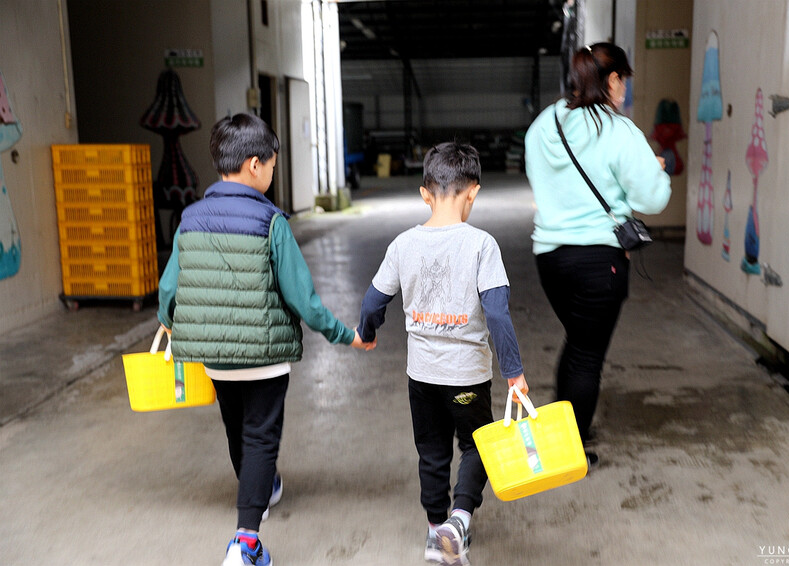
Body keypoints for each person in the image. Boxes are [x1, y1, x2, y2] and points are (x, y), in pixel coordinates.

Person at [157, 113, 372, 566]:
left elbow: (170, 287)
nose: (273, 173)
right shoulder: (270, 221)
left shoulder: (191, 218)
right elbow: (302, 298)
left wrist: (168, 320)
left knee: (238, 430)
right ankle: (246, 542)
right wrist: (343, 335)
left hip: (215, 357)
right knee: (260, 437)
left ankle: (263, 487)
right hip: (265, 357)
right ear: (254, 165)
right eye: (273, 166)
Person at [357, 142, 529, 566]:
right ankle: (458, 521)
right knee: (477, 446)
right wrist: (514, 372)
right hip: (467, 376)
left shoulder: (403, 244)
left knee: (432, 451)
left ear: (424, 193)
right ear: (474, 192)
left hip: (422, 375)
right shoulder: (482, 245)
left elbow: (372, 301)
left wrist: (366, 332)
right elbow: (497, 314)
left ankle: (436, 531)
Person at [524, 43, 671, 466]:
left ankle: (564, 435)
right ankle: (571, 451)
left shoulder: (542, 125)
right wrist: (656, 171)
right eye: (623, 79)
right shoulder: (619, 130)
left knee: (578, 345)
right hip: (599, 262)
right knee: (586, 356)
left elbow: (543, 181)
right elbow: (652, 198)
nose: (625, 88)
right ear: (611, 80)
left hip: (550, 258)